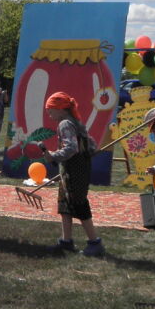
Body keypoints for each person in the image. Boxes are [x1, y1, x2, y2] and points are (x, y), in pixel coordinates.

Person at [37, 92, 104, 257]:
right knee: (65, 206)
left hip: (75, 170)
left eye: (50, 110)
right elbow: (91, 144)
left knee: (79, 204)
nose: (48, 113)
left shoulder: (65, 123)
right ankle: (66, 241)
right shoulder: (73, 121)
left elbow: (71, 148)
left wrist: (53, 155)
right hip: (70, 170)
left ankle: (95, 242)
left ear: (60, 109)